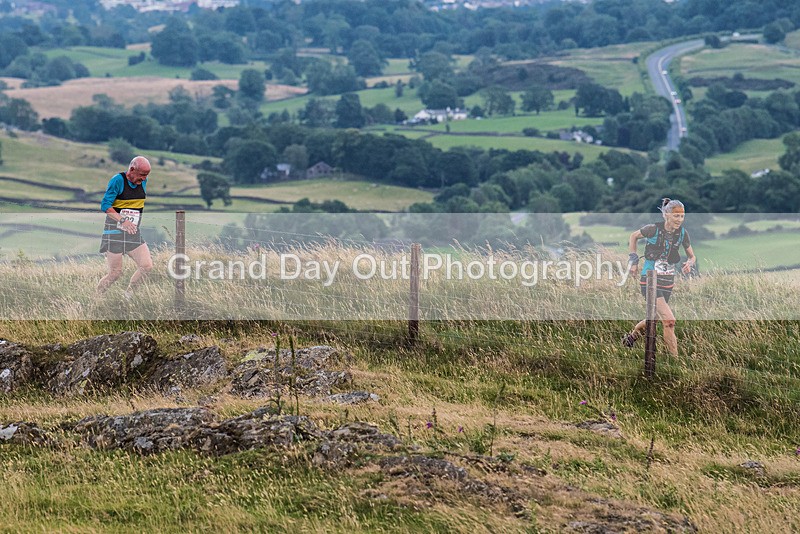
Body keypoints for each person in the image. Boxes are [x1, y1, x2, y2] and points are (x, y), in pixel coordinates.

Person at [622, 198, 697, 355]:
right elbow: (633, 236)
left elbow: (692, 256)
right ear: (667, 215)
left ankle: (631, 337)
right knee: (669, 321)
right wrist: (634, 260)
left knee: (653, 319)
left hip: (668, 281)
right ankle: (676, 362)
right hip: (650, 280)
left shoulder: (683, 233)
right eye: (676, 216)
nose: (679, 220)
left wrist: (689, 263)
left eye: (682, 216)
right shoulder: (653, 229)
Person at [96, 156, 154, 297]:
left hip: (132, 233)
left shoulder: (143, 181)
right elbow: (105, 205)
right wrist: (123, 221)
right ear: (132, 169)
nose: (144, 179)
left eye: (147, 175)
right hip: (114, 233)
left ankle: (127, 296)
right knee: (115, 273)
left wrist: (130, 224)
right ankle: (95, 298)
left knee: (147, 266)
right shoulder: (118, 180)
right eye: (142, 175)